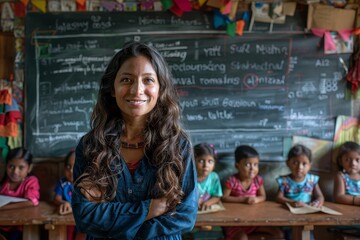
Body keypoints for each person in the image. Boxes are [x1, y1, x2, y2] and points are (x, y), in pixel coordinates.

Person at [71, 41, 198, 239]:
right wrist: (149, 208)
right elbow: (85, 217)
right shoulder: (91, 146)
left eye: (148, 80)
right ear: (112, 88)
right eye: (126, 80)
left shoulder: (177, 144)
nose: (137, 90)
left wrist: (118, 226)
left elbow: (185, 217)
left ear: (160, 88)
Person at [222, 145, 284, 240]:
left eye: (255, 164)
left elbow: (263, 196)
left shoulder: (257, 180)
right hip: (235, 222)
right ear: (237, 165)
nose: (252, 168)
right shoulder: (232, 181)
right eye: (247, 164)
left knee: (278, 235)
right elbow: (224, 198)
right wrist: (243, 199)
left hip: (254, 221)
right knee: (242, 238)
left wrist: (256, 199)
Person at [276, 144, 324, 240]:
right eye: (295, 162)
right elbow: (278, 197)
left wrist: (318, 202)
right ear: (288, 163)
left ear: (310, 165)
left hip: (307, 216)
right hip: (289, 215)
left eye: (304, 163)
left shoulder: (312, 180)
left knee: (307, 236)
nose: (300, 167)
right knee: (290, 235)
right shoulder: (284, 180)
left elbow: (320, 196)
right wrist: (291, 202)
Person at [0, 148, 40, 240]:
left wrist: (3, 207)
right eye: (11, 166)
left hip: (20, 227)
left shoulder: (31, 182)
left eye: (21, 168)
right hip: (3, 224)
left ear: (29, 168)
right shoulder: (4, 183)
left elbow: (32, 202)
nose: (15, 172)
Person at [53, 149, 86, 240]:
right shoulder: (62, 182)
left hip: (81, 218)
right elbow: (56, 199)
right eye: (68, 167)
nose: (71, 171)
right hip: (66, 217)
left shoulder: (86, 184)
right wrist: (64, 203)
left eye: (75, 167)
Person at [194, 143, 223, 211]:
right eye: (201, 161)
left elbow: (217, 196)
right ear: (193, 161)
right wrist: (193, 202)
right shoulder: (188, 178)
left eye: (210, 161)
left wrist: (208, 203)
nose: (206, 165)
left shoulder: (214, 177)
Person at [333, 141, 360, 205]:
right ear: (340, 161)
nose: (353, 164)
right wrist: (357, 201)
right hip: (345, 208)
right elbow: (339, 197)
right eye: (347, 160)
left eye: (357, 160)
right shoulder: (341, 176)